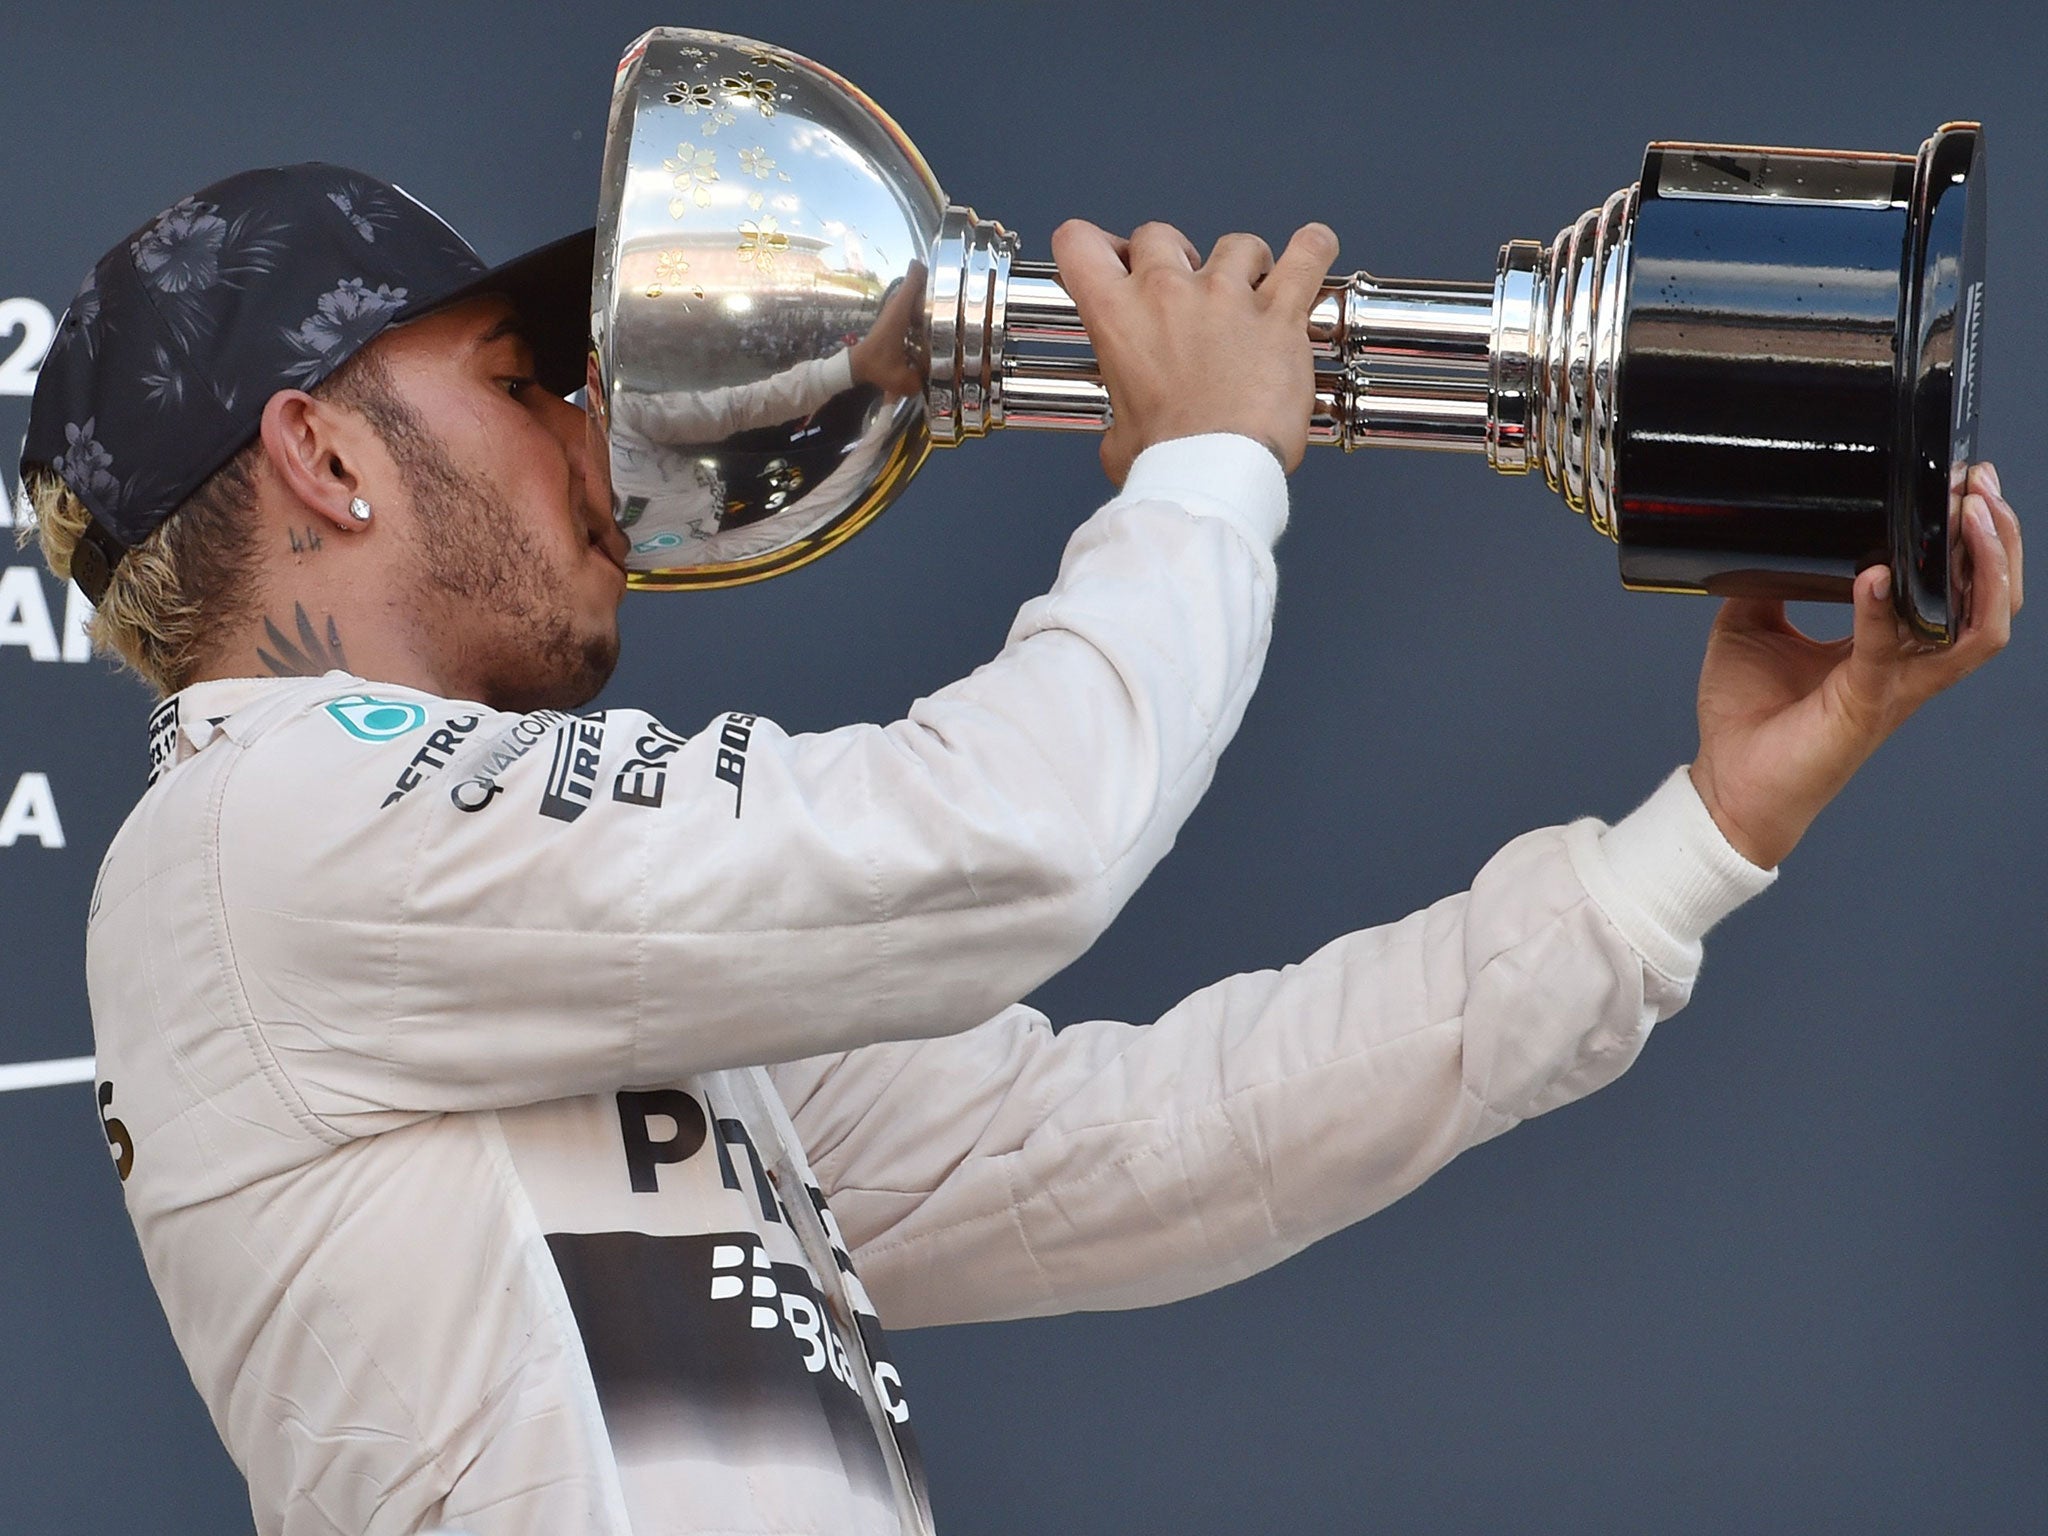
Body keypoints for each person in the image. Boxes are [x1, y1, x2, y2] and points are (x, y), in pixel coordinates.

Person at [17, 163, 2020, 1536]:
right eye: (522, 381)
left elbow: (1143, 1143)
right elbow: (1007, 844)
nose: (592, 431)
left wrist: (1703, 839)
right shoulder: (265, 822)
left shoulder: (457, 925)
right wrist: (1208, 469)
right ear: (323, 456)